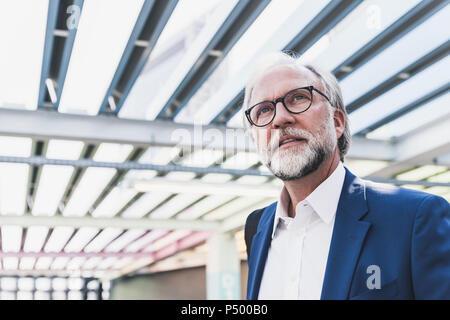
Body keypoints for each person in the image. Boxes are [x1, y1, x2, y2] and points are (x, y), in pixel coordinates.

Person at [243, 51, 450, 300]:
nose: (280, 118)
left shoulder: (416, 218)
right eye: (263, 111)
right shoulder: (256, 227)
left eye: (298, 98)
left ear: (337, 122)